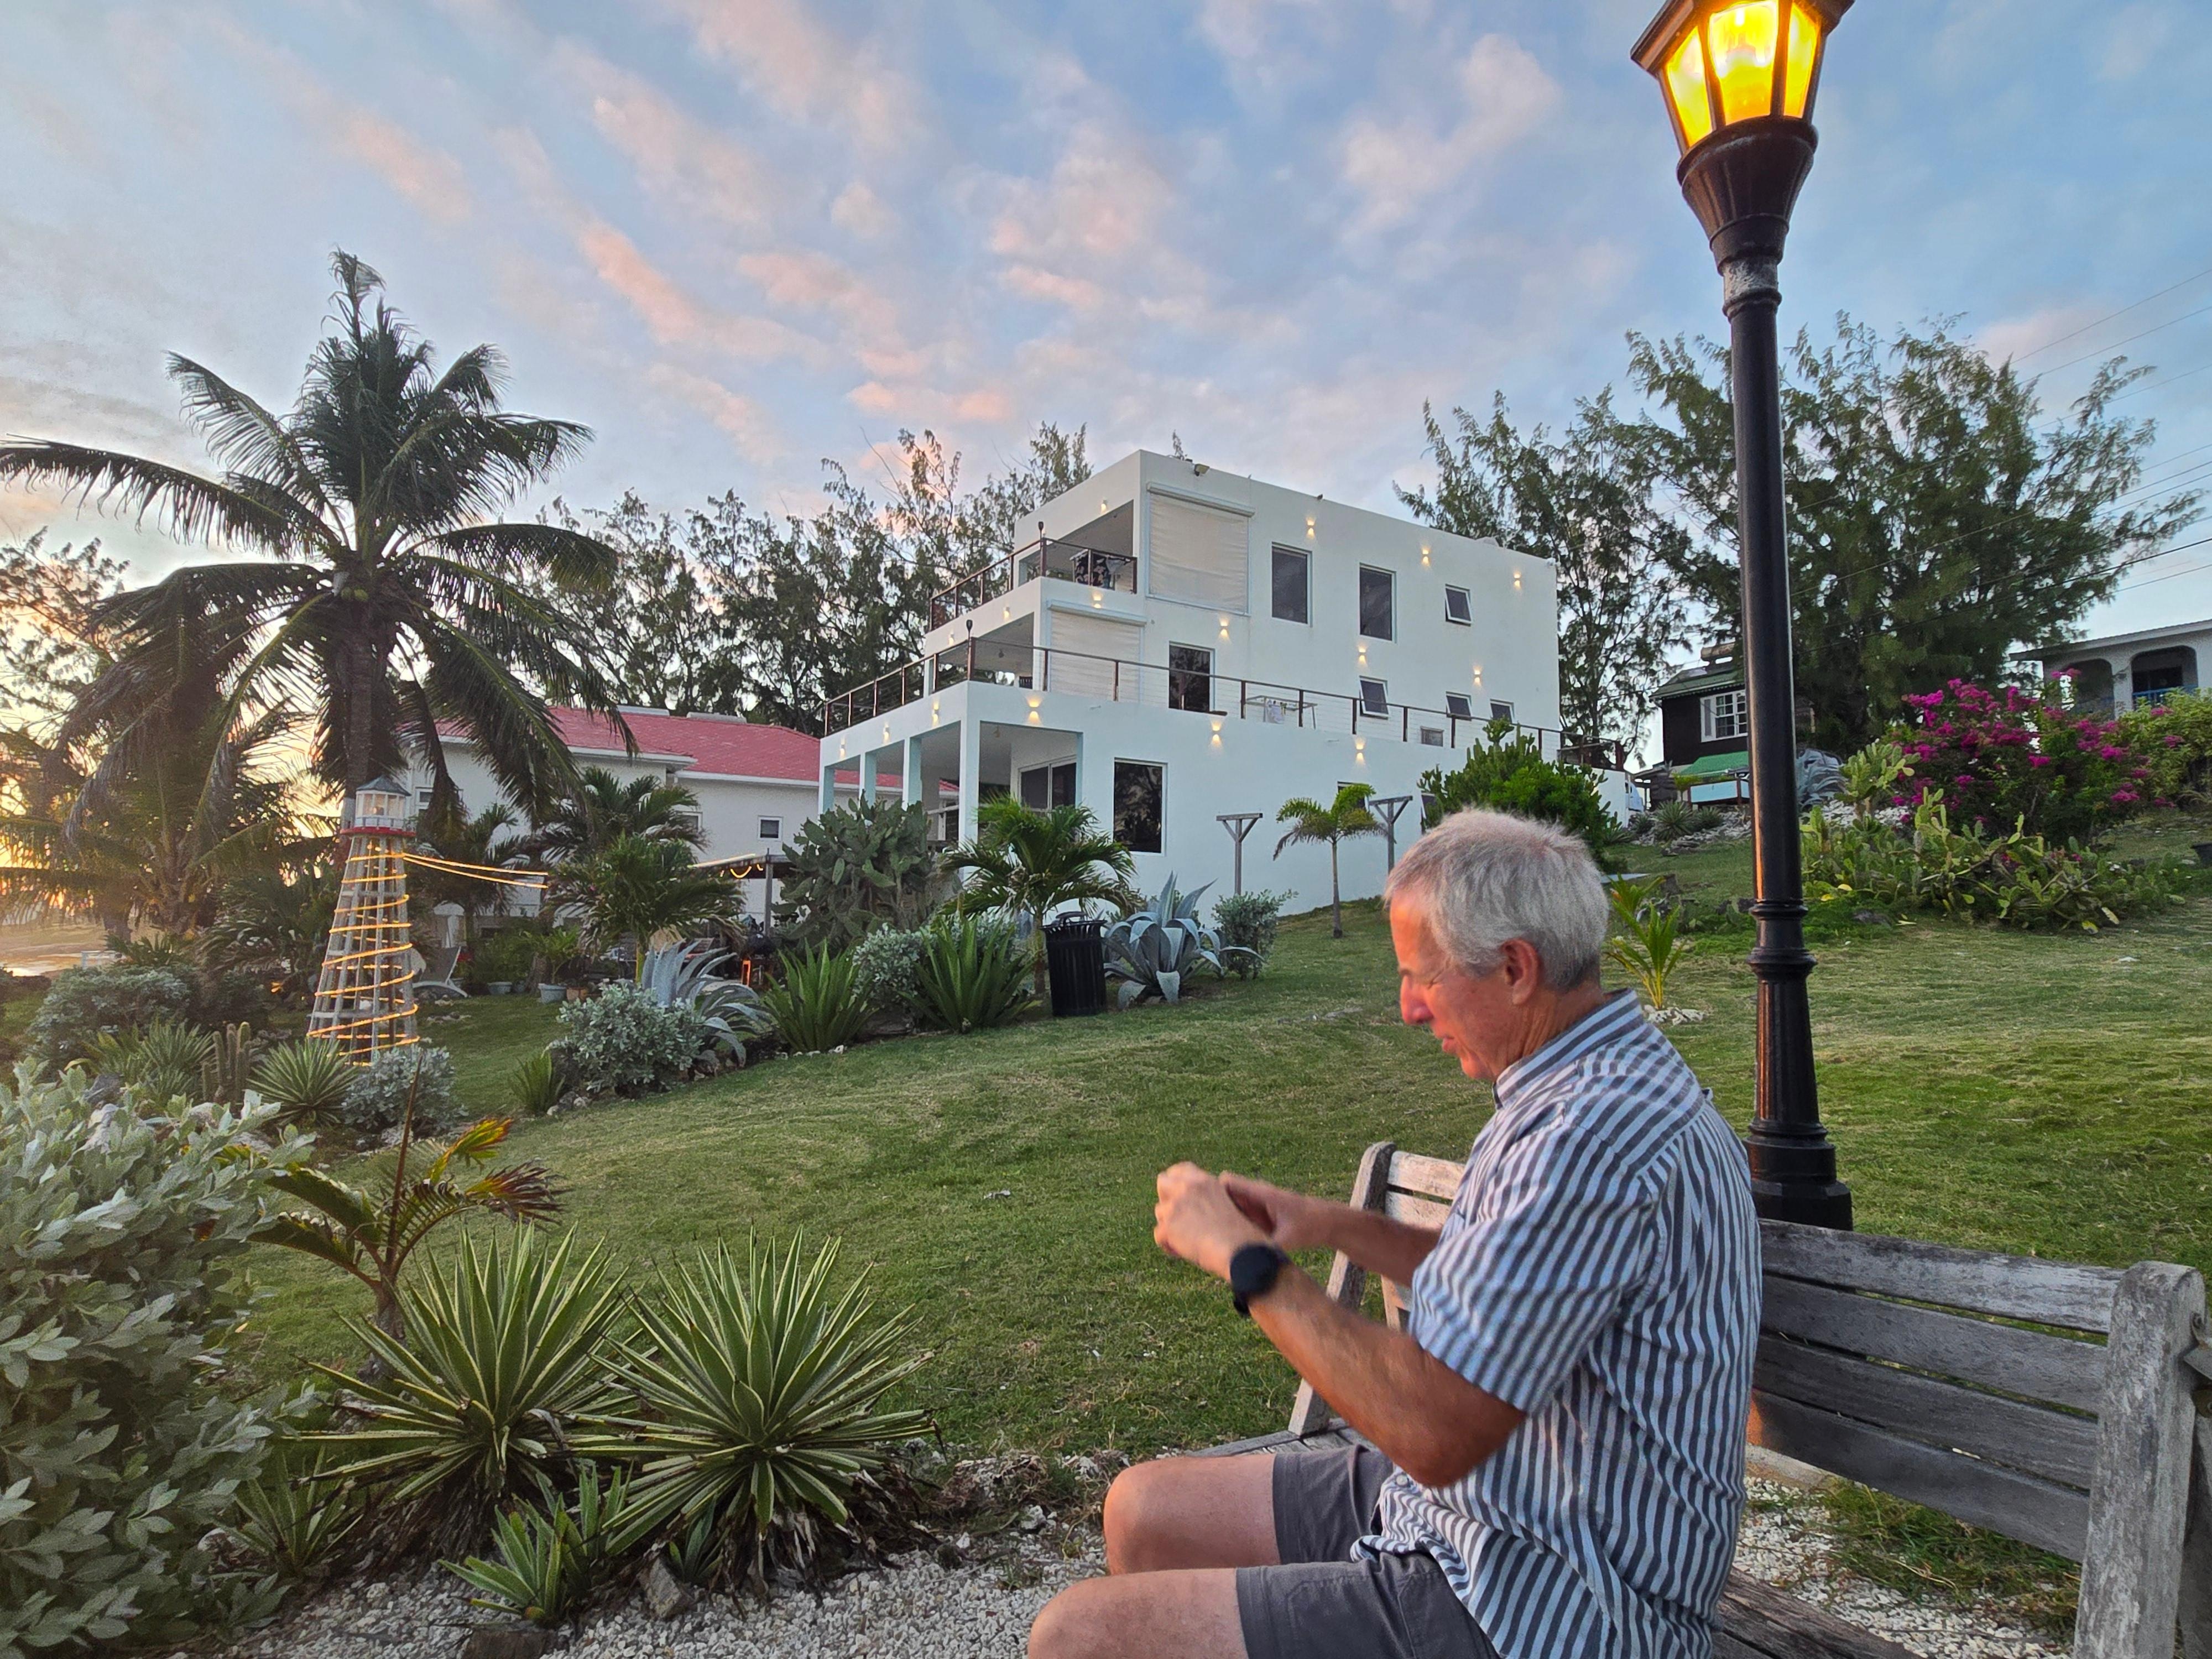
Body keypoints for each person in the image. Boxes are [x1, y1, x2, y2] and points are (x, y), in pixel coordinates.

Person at [1027, 808, 1760, 1659]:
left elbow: (1435, 1433)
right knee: (1142, 1510)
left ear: (1517, 969)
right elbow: (1514, 1283)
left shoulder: (1587, 1136)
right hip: (1503, 1496)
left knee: (1077, 1638)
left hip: (1549, 1594)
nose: (1408, 1009)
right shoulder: (1586, 1080)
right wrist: (1330, 1225)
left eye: (1423, 976)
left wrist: (1249, 1262)